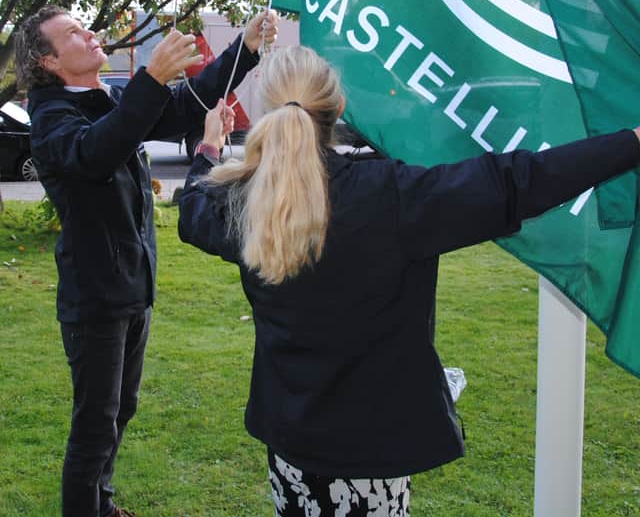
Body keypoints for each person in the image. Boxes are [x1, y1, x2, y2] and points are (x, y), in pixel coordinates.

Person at [178, 44, 640, 517]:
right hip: (370, 453)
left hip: (290, 445)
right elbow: (518, 181)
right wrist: (632, 141)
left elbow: (192, 210)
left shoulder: (244, 202)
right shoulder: (392, 196)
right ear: (337, 109)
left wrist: (209, 148)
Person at [14, 4, 278, 517]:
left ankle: (102, 504)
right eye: (72, 33)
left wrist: (243, 48)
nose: (89, 34)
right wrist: (151, 78)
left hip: (133, 286)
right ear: (47, 62)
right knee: (95, 423)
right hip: (95, 298)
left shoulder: (107, 97)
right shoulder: (52, 119)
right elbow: (94, 152)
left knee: (121, 410)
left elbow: (190, 101)